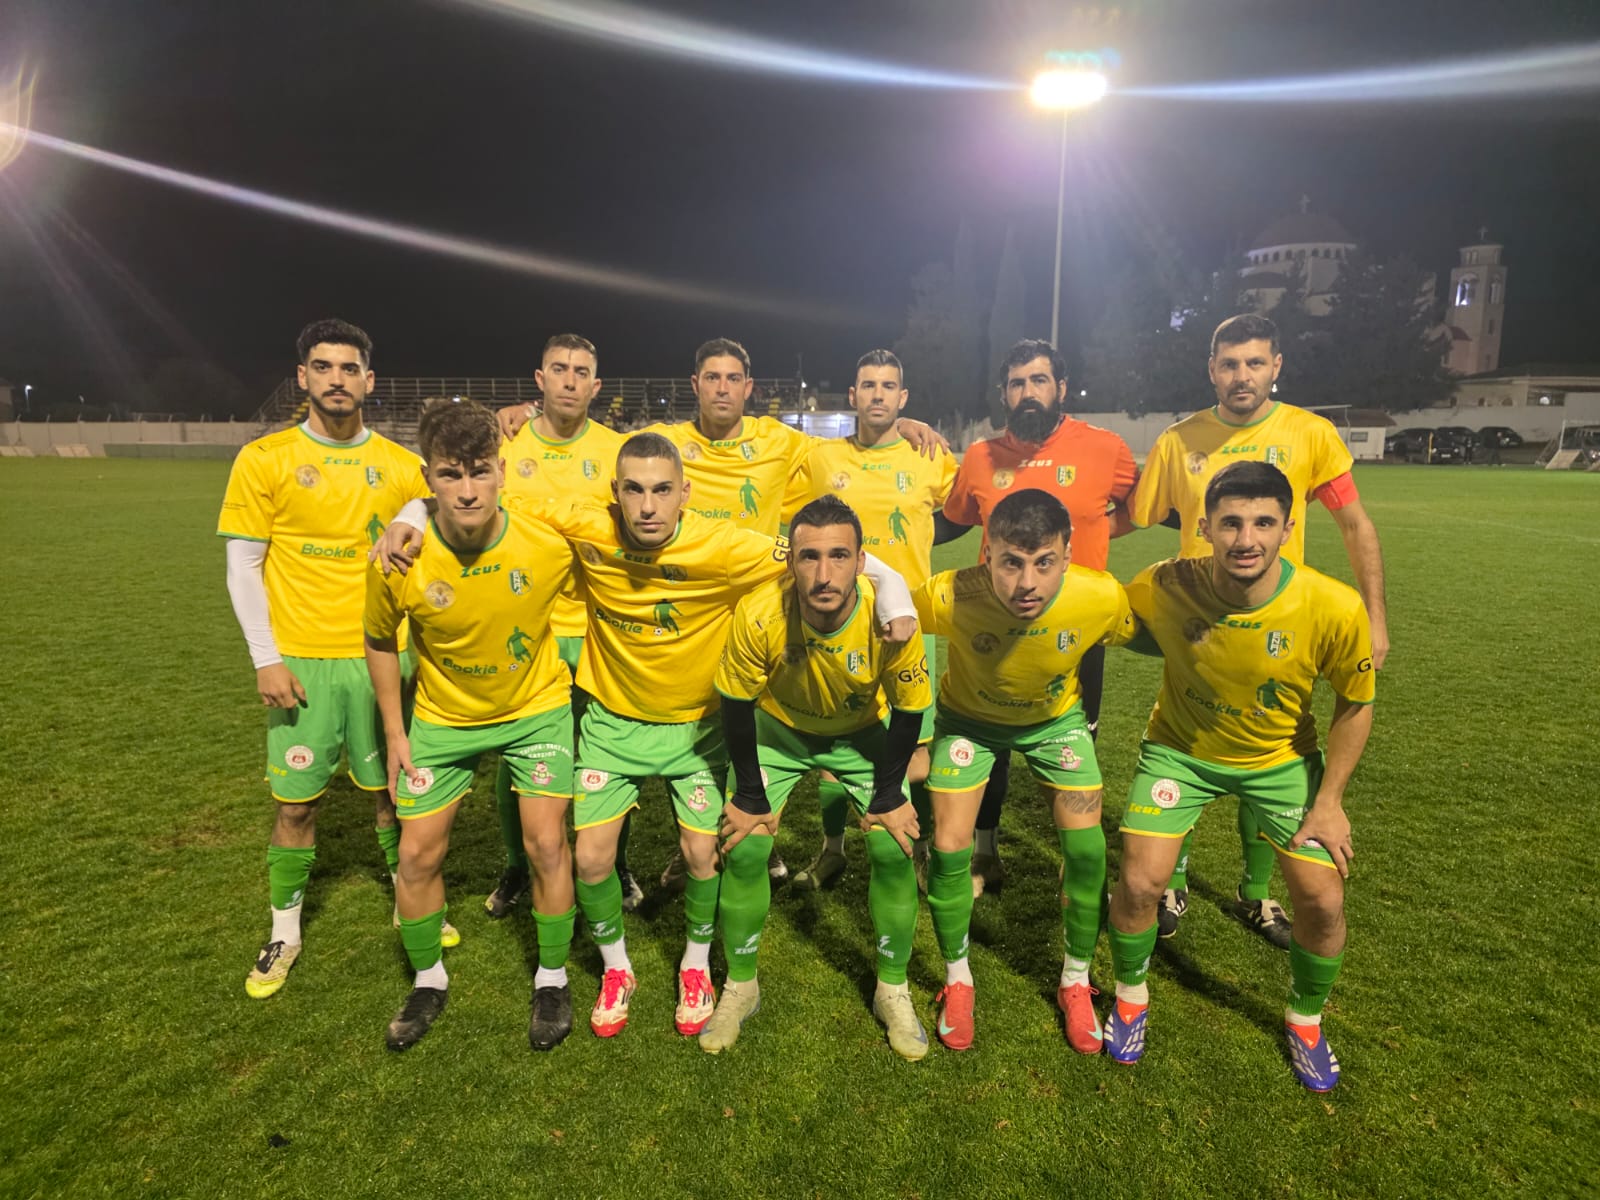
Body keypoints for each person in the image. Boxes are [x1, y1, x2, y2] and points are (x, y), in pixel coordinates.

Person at [376, 434, 917, 1040]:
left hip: (698, 727)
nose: (649, 506)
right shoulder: (586, 524)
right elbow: (478, 496)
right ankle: (617, 969)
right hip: (612, 723)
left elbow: (826, 555)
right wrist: (412, 512)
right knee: (589, 858)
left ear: (686, 492)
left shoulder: (725, 546)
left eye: (663, 490)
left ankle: (695, 966)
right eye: (634, 490)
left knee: (702, 855)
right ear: (615, 492)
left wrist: (895, 592)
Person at [498, 337, 945, 887]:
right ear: (695, 385)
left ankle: (744, 837)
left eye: (733, 378)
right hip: (678, 614)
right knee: (687, 734)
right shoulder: (664, 443)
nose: (723, 388)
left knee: (756, 729)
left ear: (748, 387)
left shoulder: (779, 440)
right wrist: (528, 413)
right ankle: (681, 849)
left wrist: (901, 427)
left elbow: (851, 454)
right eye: (712, 377)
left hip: (764, 609)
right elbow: (549, 468)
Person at [1104, 461, 1374, 1092]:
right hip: (1179, 753)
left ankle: (1305, 1019)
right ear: (1204, 528)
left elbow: (1356, 702)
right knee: (1140, 882)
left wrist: (1330, 801)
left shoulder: (1333, 605)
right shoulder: (1165, 583)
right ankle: (1130, 997)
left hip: (1280, 761)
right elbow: (1113, 618)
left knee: (1323, 899)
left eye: (1262, 523)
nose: (1245, 539)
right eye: (1230, 523)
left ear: (1288, 528)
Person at [1130, 313, 1388, 947]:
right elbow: (1137, 512)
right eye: (1229, 364)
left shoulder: (1310, 433)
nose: (1241, 375)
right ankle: (1173, 882)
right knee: (1191, 739)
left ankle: (1255, 891)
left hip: (1281, 620)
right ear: (1211, 370)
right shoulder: (1179, 439)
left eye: (1253, 363)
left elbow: (1355, 524)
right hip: (1199, 623)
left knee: (1271, 745)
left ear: (1276, 366)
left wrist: (1376, 618)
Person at [219, 318, 455, 1001]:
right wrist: (266, 658)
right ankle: (284, 932)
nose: (336, 379)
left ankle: (409, 900)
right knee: (296, 806)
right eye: (322, 367)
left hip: (385, 656)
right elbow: (243, 565)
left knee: (395, 795)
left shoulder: (398, 463)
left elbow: (437, 498)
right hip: (302, 662)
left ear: (369, 380)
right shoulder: (264, 459)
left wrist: (415, 512)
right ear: (303, 377)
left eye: (350, 368)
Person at [364, 399, 576, 1051]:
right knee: (416, 854)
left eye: (480, 471)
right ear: (428, 478)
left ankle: (552, 976)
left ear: (502, 472)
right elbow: (378, 639)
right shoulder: (399, 558)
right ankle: (428, 979)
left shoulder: (547, 543)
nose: (466, 490)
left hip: (534, 708)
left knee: (547, 844)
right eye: (450, 474)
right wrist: (395, 734)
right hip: (444, 718)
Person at [705, 496, 933, 1058]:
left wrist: (888, 793)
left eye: (839, 556)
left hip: (859, 734)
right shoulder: (760, 612)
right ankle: (741, 986)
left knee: (894, 845)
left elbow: (909, 711)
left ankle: (892, 990)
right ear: (791, 561)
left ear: (862, 562)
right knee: (744, 845)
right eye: (809, 557)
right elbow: (736, 704)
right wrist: (751, 794)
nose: (824, 574)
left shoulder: (890, 620)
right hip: (778, 732)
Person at [914, 489, 1136, 1054]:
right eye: (1011, 563)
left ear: (1068, 556)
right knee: (949, 845)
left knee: (1088, 852)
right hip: (969, 724)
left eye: (1044, 563)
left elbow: (1160, 635)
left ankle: (1075, 981)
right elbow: (883, 621)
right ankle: (957, 979)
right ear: (987, 554)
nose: (1027, 583)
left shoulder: (1100, 596)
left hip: (1055, 725)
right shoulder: (948, 595)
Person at [941, 339, 1138, 897]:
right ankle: (985, 851)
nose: (1028, 392)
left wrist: (1094, 531)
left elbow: (1142, 506)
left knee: (1078, 743)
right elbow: (956, 518)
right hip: (996, 625)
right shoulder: (980, 457)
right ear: (1004, 393)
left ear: (1061, 388)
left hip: (1077, 628)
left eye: (1039, 380)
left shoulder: (1106, 448)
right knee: (992, 741)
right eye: (1017, 383)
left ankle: (1074, 856)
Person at [793, 349, 959, 891]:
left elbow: (967, 508)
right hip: (839, 624)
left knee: (917, 752)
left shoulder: (929, 456)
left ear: (903, 397)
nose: (878, 395)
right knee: (832, 747)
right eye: (868, 385)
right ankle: (832, 850)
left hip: (909, 626)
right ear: (853, 395)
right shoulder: (820, 457)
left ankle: (917, 847)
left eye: (889, 386)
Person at [485, 334, 637, 921]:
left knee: (609, 755)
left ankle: (617, 864)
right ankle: (515, 866)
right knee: (519, 756)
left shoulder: (618, 450)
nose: (569, 380)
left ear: (596, 386)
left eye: (580, 372)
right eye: (559, 369)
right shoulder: (507, 442)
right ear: (539, 378)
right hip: (530, 628)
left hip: (602, 629)